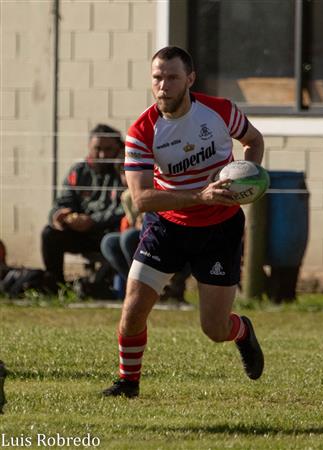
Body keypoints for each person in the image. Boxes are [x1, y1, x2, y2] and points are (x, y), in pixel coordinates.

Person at [103, 46, 265, 398]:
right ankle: (128, 383)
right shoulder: (142, 132)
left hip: (220, 227)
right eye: (157, 78)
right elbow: (143, 199)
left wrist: (250, 179)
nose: (164, 85)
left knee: (214, 328)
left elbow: (253, 141)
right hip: (167, 227)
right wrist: (198, 195)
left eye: (173, 77)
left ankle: (243, 331)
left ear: (190, 79)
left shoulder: (220, 112)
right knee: (131, 312)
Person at [41, 124, 125, 288]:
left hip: (108, 233)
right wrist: (60, 216)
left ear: (119, 148)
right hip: (81, 232)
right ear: (89, 147)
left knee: (117, 239)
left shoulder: (124, 172)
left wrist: (93, 221)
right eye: (97, 148)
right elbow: (63, 201)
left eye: (108, 149)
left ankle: (97, 286)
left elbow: (123, 210)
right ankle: (56, 287)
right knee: (49, 233)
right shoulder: (79, 171)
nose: (102, 155)